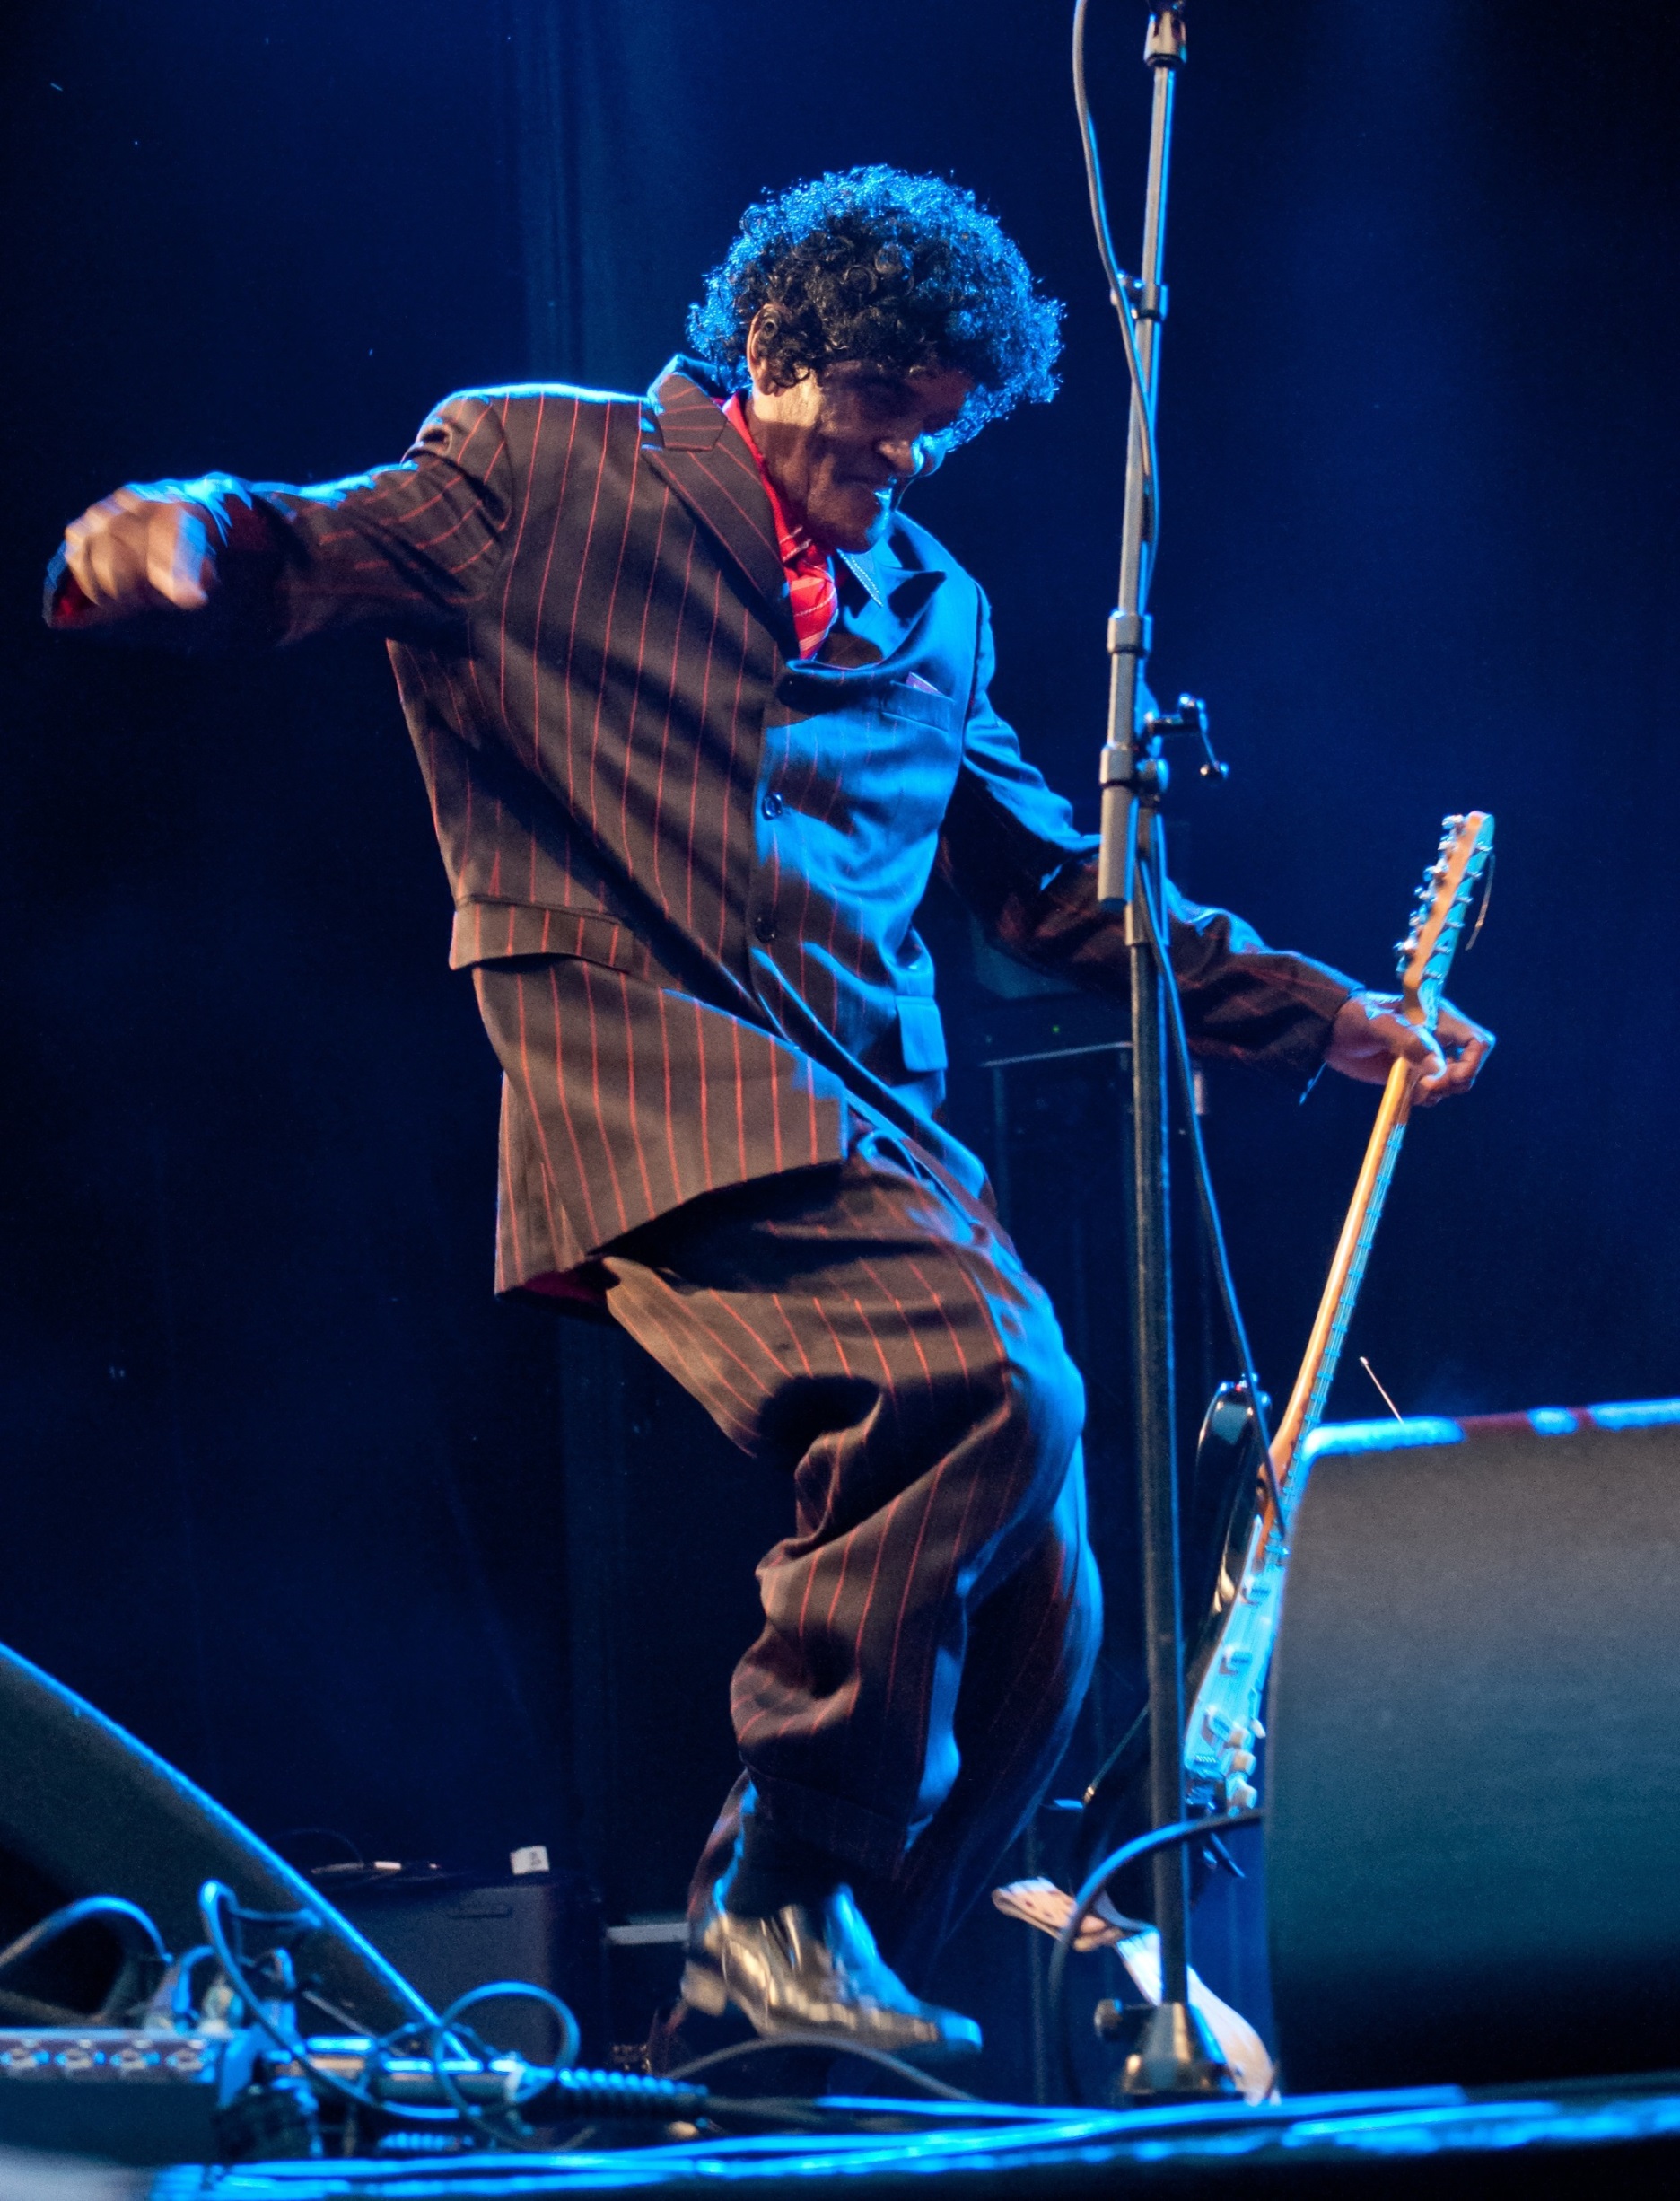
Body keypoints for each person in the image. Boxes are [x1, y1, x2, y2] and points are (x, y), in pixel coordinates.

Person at [48, 166, 1492, 2059]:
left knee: (1043, 1613)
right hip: (648, 1068)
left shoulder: (938, 606)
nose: (905, 455)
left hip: (873, 1114)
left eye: (938, 425)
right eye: (879, 405)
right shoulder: (539, 469)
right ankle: (774, 1904)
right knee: (987, 1382)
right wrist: (158, 539)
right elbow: (291, 541)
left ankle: (770, 2038)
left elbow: (1054, 889)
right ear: (771, 351)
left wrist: (1323, 1013)